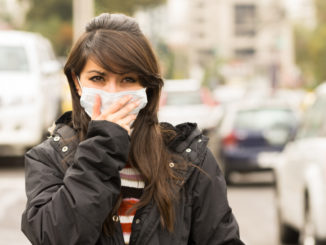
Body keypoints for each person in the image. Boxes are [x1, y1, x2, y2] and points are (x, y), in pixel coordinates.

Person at [21, 13, 245, 245]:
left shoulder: (190, 160)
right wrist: (101, 150)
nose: (113, 92)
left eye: (127, 79)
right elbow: (53, 237)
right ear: (77, 83)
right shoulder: (49, 159)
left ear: (147, 87)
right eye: (98, 78)